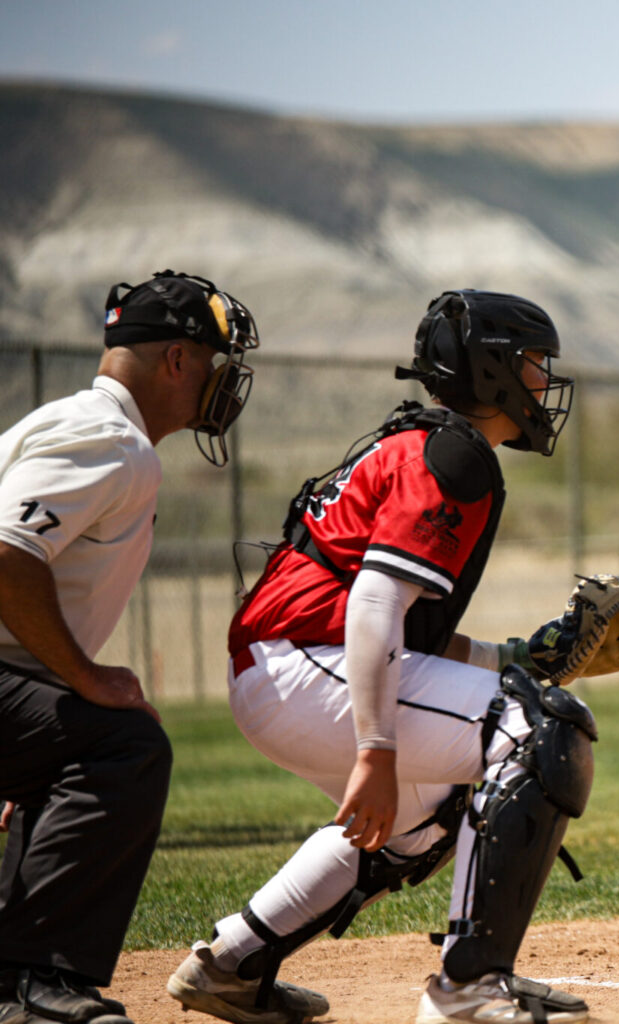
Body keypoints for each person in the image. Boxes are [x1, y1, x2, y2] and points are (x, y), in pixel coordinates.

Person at [166, 290, 602, 1024]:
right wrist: (376, 749)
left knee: (419, 818)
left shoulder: (423, 443)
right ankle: (468, 988)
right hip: (306, 662)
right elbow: (372, 606)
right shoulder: (451, 454)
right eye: (532, 364)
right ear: (490, 369)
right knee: (543, 731)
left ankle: (230, 968)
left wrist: (514, 657)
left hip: (287, 666)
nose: (541, 383)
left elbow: (403, 629)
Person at [0, 271, 259, 1024]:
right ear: (177, 361)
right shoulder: (112, 441)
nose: (218, 386)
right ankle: (29, 984)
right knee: (125, 743)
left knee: (86, 742)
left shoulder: (78, 424)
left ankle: (18, 979)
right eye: (212, 366)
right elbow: (9, 554)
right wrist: (84, 676)